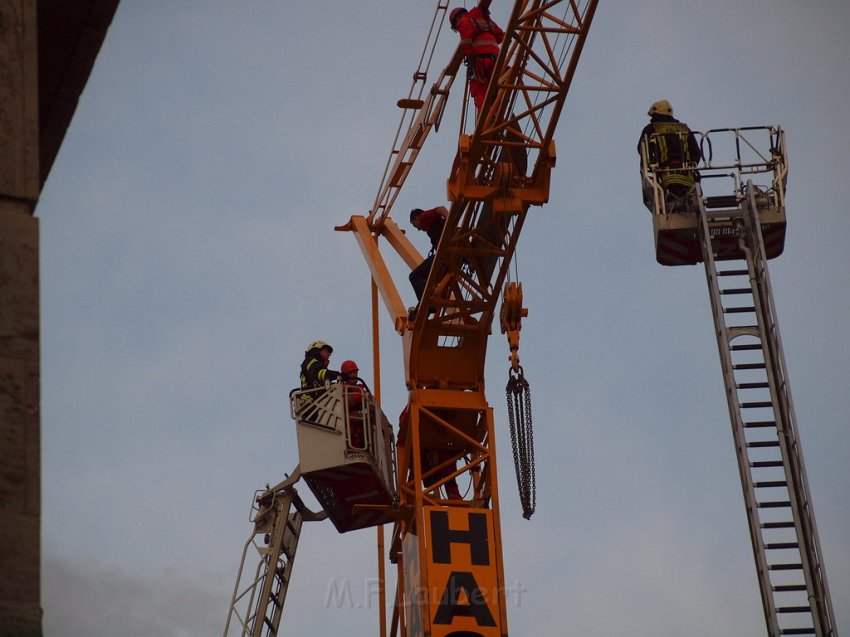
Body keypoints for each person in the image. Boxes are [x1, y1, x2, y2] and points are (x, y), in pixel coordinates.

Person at [638, 99, 702, 212]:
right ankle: (688, 199)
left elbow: (643, 149)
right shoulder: (684, 128)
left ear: (654, 113)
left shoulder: (652, 128)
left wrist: (651, 165)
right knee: (688, 200)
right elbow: (696, 152)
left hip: (666, 175)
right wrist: (690, 165)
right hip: (688, 175)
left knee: (673, 203)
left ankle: (680, 202)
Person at [450, 5, 504, 113]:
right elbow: (500, 37)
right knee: (496, 92)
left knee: (478, 90)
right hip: (497, 62)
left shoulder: (463, 21)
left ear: (457, 18)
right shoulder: (485, 20)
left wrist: (470, 61)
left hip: (482, 62)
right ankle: (497, 115)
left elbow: (466, 43)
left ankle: (487, 117)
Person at [408, 205, 449, 309]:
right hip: (447, 256)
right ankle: (432, 299)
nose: (417, 229)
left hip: (445, 255)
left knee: (414, 276)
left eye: (414, 225)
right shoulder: (431, 228)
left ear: (416, 218)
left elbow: (440, 209)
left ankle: (426, 303)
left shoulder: (423, 217)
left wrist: (450, 223)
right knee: (429, 277)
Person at [340, 359, 366, 449]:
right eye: (351, 373)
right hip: (349, 426)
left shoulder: (361, 388)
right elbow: (344, 403)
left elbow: (371, 403)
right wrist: (360, 395)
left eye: (355, 372)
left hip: (361, 428)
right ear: (345, 375)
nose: (354, 375)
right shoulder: (341, 389)